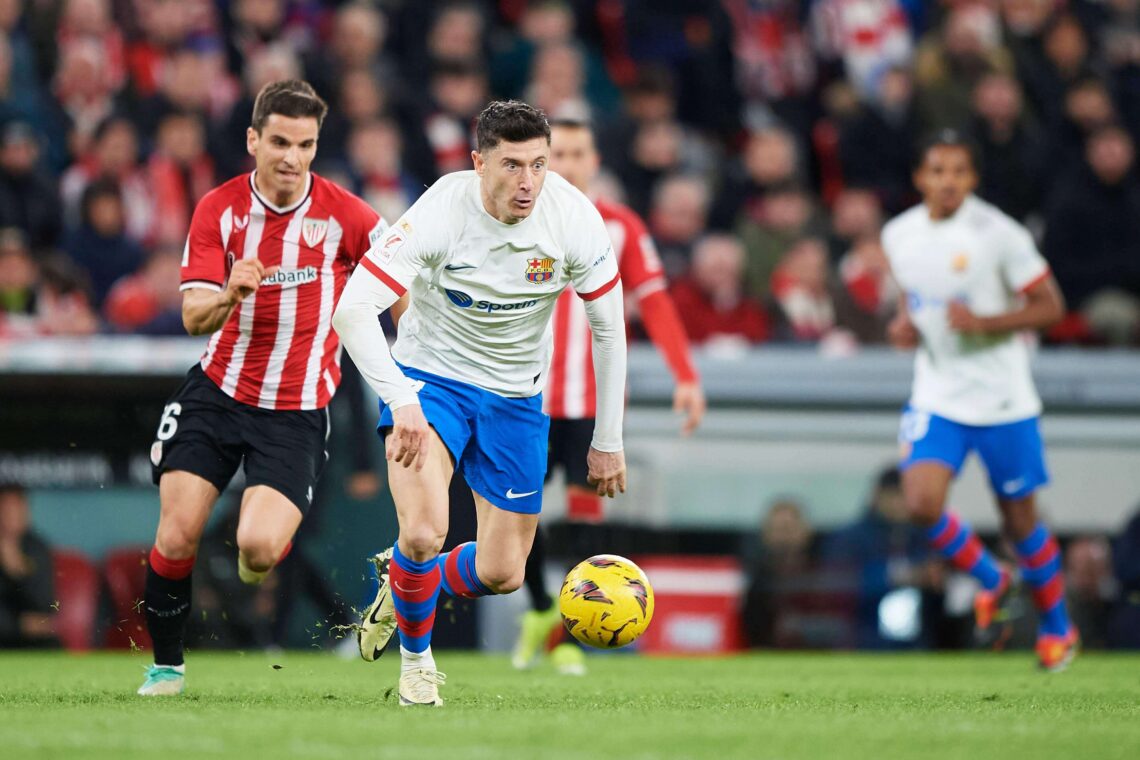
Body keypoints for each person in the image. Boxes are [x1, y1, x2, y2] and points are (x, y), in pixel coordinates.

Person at [333, 100, 628, 707]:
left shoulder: (573, 218)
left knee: (503, 574)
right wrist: (401, 399)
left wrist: (609, 438)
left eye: (539, 165)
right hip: (430, 382)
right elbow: (352, 311)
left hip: (517, 397)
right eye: (512, 165)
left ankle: (407, 582)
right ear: (478, 162)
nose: (528, 183)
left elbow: (610, 329)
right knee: (423, 532)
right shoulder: (443, 209)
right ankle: (417, 665)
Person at [138, 79, 386, 696]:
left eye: (305, 144)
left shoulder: (347, 214)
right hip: (216, 395)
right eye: (279, 141)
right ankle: (167, 668)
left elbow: (401, 279)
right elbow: (194, 316)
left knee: (256, 549)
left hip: (295, 412)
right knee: (176, 534)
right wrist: (231, 292)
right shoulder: (217, 210)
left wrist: (416, 362)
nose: (291, 157)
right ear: (253, 140)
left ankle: (257, 563)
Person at [511, 117, 705, 673]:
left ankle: (569, 637)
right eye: (559, 154)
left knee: (586, 520)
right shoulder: (516, 219)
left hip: (591, 406)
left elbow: (656, 300)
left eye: (578, 153)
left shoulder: (619, 226)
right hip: (526, 398)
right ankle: (542, 610)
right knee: (517, 517)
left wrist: (685, 376)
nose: (568, 164)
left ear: (594, 162)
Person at [882, 129, 1077, 671]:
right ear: (920, 177)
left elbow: (1050, 305)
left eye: (959, 171)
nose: (948, 182)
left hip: (1002, 399)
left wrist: (986, 322)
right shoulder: (898, 233)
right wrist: (906, 326)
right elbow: (914, 296)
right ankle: (993, 578)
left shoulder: (999, 234)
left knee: (1020, 522)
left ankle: (1059, 629)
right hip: (938, 391)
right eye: (938, 170)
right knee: (920, 501)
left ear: (973, 178)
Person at [0, 482, 58, 649]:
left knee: (52, 646)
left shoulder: (36, 548)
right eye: (5, 508)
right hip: (8, 633)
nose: (10, 514)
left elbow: (44, 608)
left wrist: (18, 571)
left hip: (30, 641)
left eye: (17, 507)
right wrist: (17, 625)